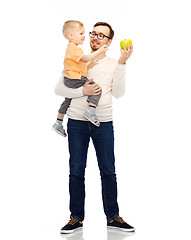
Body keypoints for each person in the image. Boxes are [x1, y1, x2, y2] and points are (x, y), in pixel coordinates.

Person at [54, 22, 135, 234]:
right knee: (76, 171)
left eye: (101, 35)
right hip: (77, 123)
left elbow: (118, 93)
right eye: (93, 33)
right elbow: (59, 88)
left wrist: (123, 63)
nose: (95, 37)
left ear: (109, 42)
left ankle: (113, 217)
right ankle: (75, 219)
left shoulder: (112, 64)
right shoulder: (77, 59)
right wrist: (83, 89)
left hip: (103, 123)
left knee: (108, 171)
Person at [52, 20, 108, 137]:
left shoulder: (71, 48)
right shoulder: (75, 48)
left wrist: (89, 66)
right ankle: (90, 111)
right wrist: (99, 51)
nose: (84, 36)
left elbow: (78, 66)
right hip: (75, 79)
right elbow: (86, 58)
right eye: (81, 33)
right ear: (71, 36)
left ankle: (58, 122)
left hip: (70, 78)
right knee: (97, 89)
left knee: (68, 100)